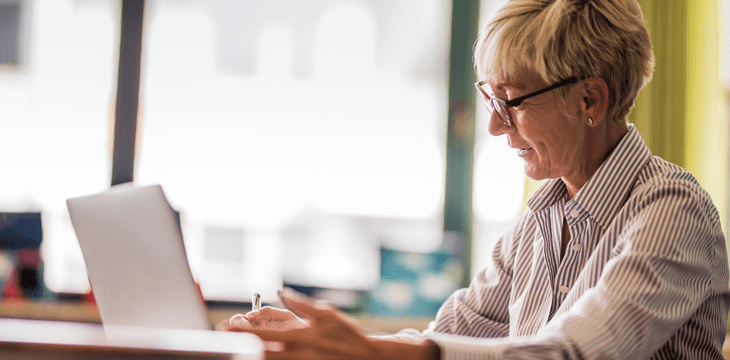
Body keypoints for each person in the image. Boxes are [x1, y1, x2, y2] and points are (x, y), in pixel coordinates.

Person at [221, 0, 730, 358]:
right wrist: (315, 336)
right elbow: (445, 336)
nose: (493, 124)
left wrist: (364, 352)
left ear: (589, 100)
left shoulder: (672, 210)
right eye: (491, 99)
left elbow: (573, 354)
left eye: (511, 101)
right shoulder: (539, 222)